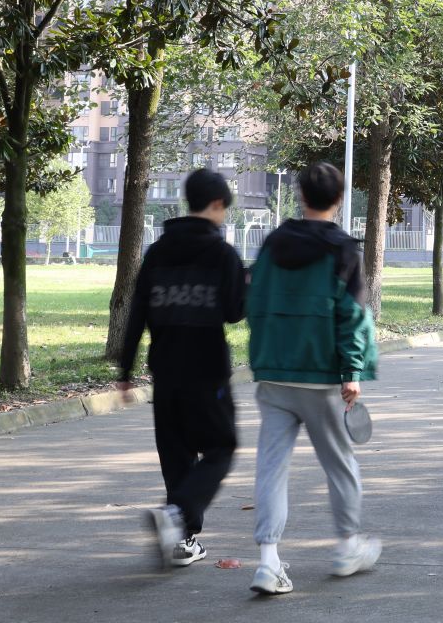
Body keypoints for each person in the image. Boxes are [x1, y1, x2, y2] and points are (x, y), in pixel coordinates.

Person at [244, 162, 380, 595]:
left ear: (300, 196)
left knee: (271, 469)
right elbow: (352, 317)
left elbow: (254, 298)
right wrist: (352, 371)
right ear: (339, 199)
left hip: (274, 376)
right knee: (340, 465)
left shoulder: (273, 243)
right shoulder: (343, 251)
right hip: (321, 379)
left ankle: (268, 562)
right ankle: (347, 547)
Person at [116, 168, 247, 570]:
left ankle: (182, 540)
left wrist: (125, 370)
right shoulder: (222, 254)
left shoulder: (157, 252)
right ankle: (178, 515)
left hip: (166, 369)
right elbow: (234, 312)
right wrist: (245, 282)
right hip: (207, 370)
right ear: (217, 204)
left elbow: (137, 312)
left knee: (176, 455)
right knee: (221, 447)